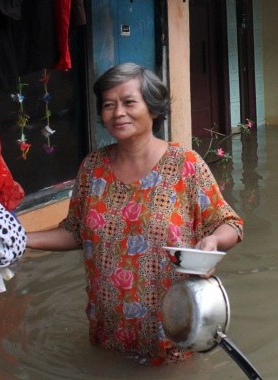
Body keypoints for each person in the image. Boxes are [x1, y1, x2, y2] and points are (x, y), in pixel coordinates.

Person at [25, 62, 244, 366]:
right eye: (108, 105)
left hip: (171, 334)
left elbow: (229, 223)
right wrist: (19, 238)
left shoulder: (185, 165)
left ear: (153, 109)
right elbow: (74, 231)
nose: (118, 112)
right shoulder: (92, 168)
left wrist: (212, 243)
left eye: (129, 102)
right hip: (107, 332)